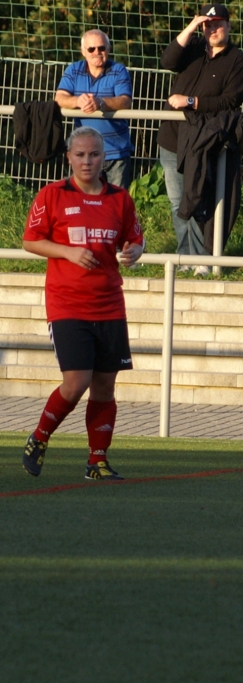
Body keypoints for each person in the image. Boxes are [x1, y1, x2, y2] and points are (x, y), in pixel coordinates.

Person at [21, 126, 145, 481]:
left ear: (104, 159)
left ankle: (97, 462)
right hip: (67, 304)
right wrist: (69, 253)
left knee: (105, 386)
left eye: (94, 154)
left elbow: (135, 239)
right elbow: (31, 241)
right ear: (69, 158)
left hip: (109, 304)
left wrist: (135, 251)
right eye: (80, 155)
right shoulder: (52, 195)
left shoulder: (119, 199)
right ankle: (40, 437)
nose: (87, 160)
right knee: (76, 383)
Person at [157, 3, 243, 276]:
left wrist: (191, 101)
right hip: (173, 138)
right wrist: (190, 27)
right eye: (207, 25)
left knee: (197, 200)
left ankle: (202, 259)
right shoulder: (194, 47)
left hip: (203, 142)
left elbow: (231, 100)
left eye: (218, 24)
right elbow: (168, 61)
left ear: (229, 26)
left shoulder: (238, 60)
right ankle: (184, 256)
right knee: (178, 202)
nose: (212, 30)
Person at [54, 29, 135, 189]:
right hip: (86, 154)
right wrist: (78, 101)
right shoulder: (73, 70)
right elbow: (59, 98)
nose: (97, 52)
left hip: (116, 152)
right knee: (87, 204)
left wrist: (100, 103)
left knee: (115, 206)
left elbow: (125, 101)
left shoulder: (119, 70)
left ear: (108, 49)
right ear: (83, 51)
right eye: (91, 49)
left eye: (101, 48)